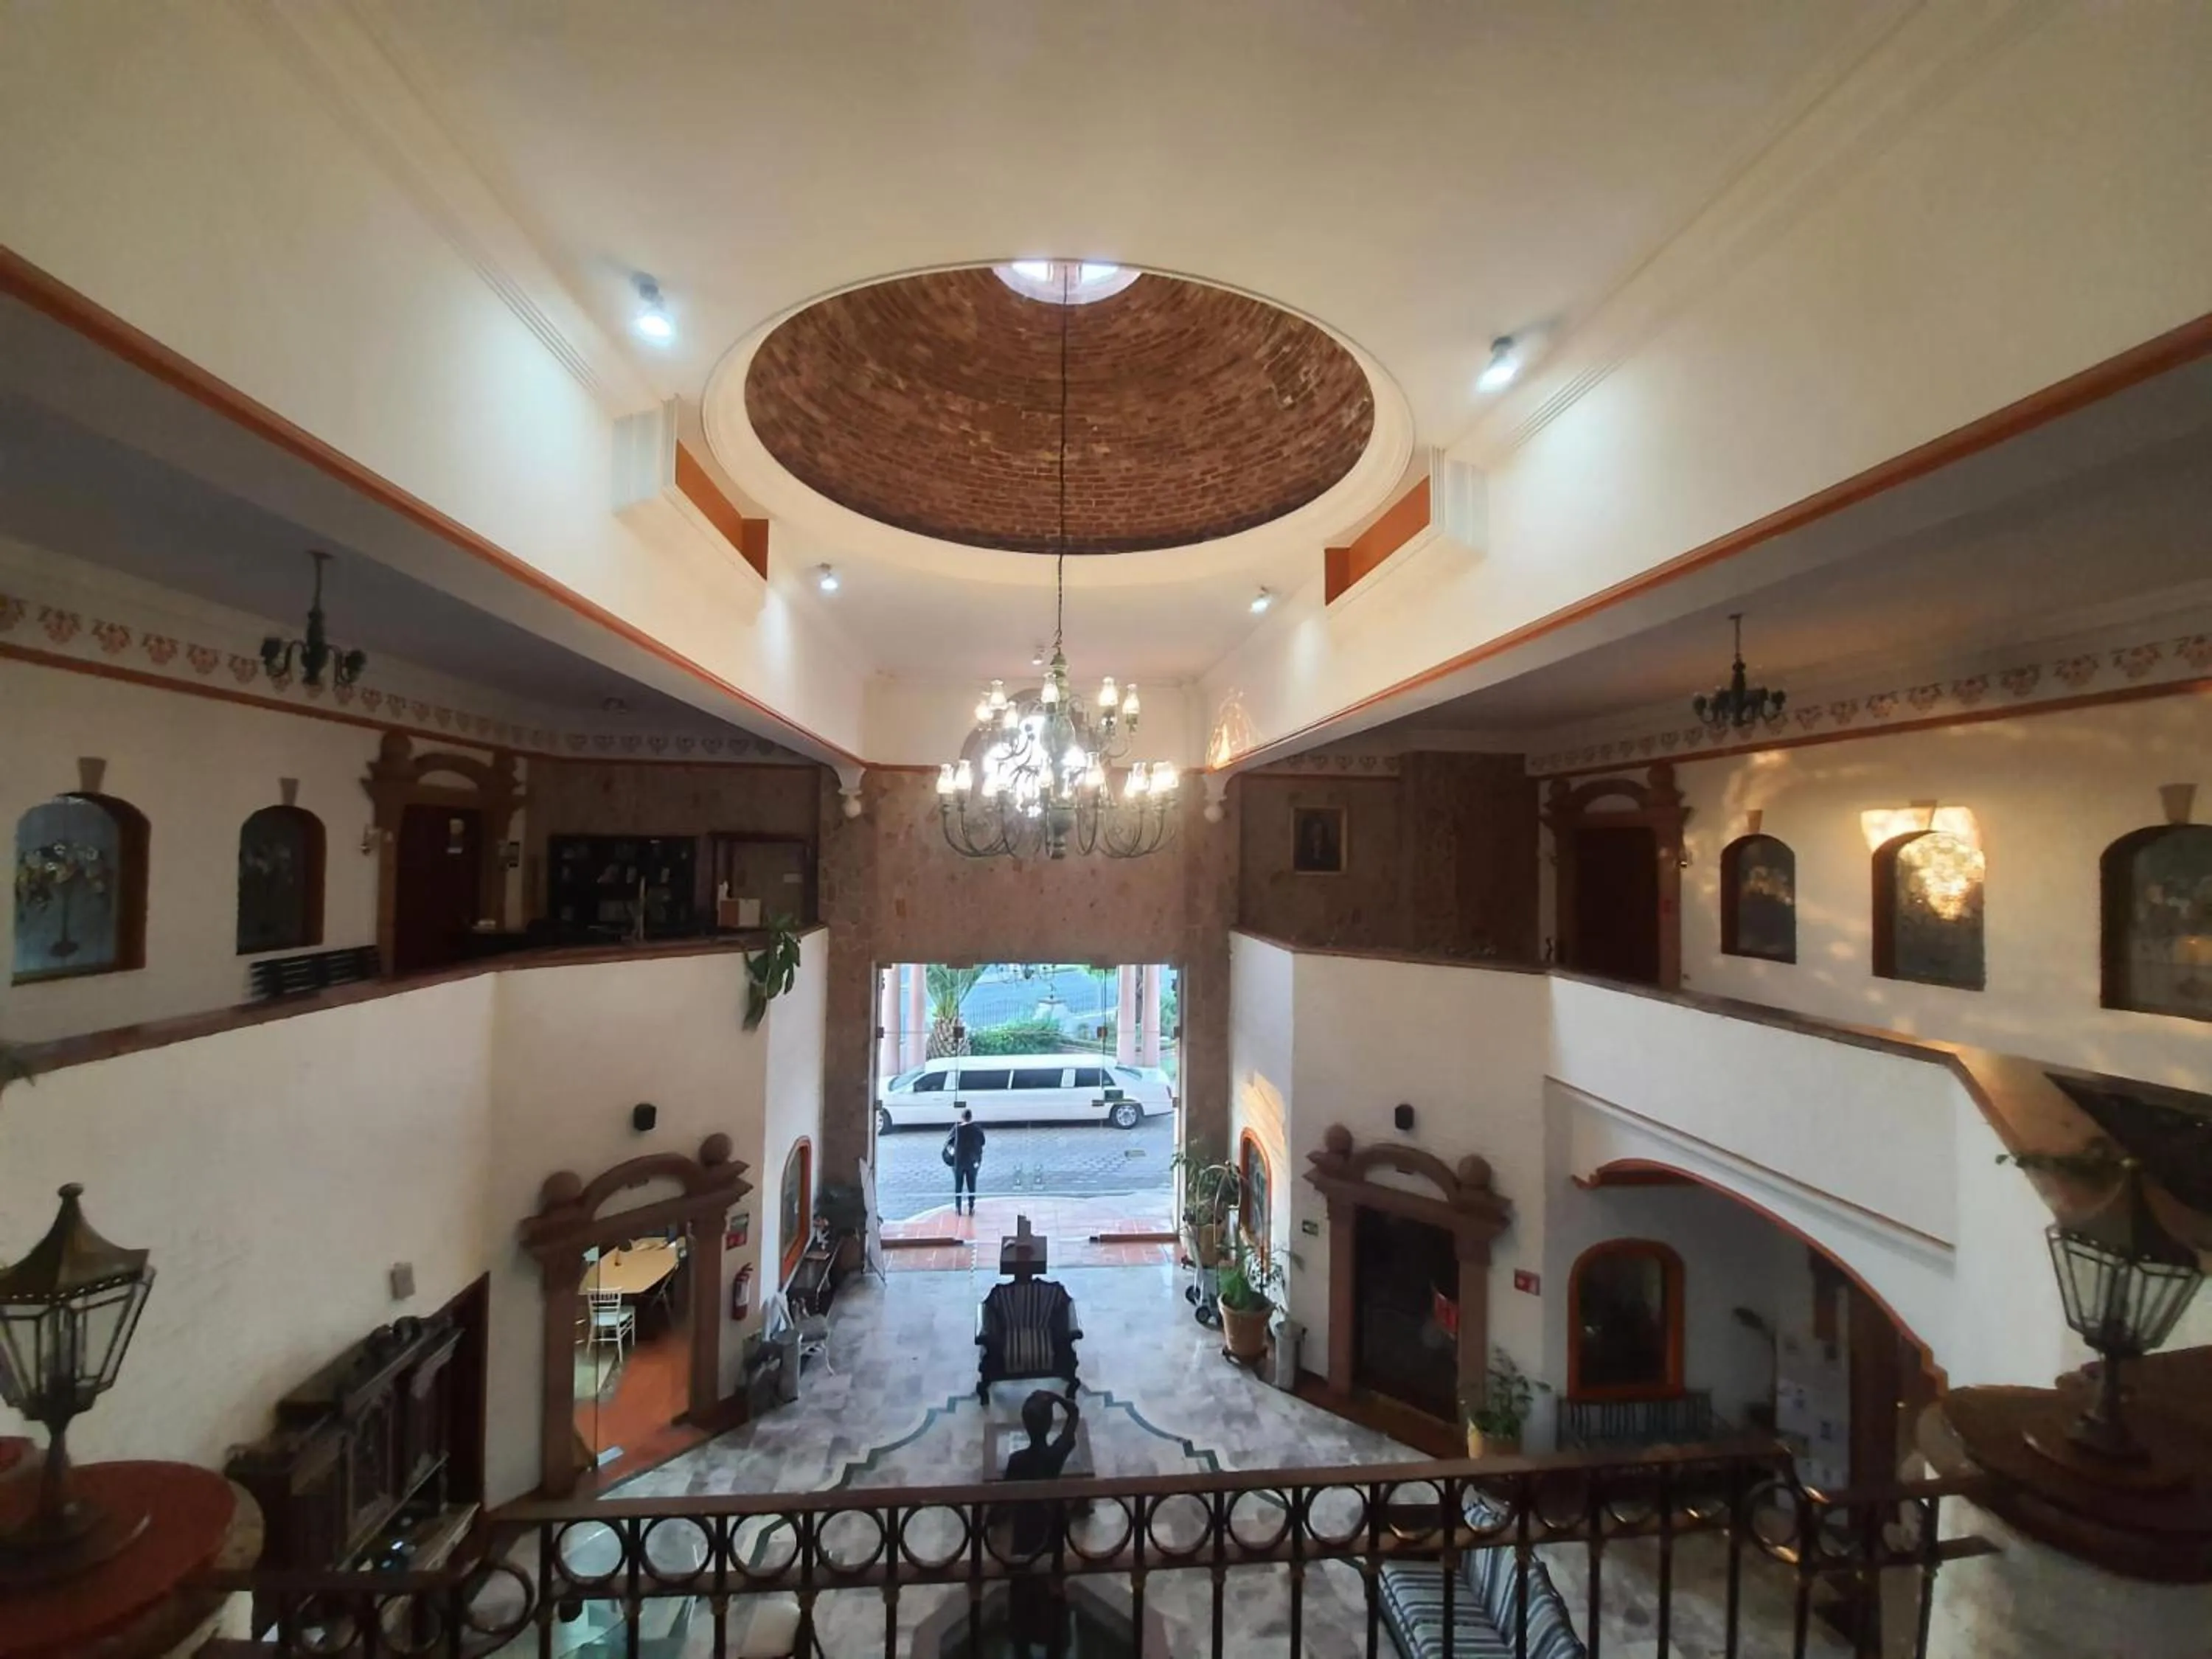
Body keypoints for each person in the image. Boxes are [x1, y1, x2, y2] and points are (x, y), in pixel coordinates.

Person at [948, 1107, 987, 1216]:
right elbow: (983, 1142)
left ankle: (958, 1208)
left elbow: (949, 1142)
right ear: (971, 1117)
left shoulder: (957, 1129)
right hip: (972, 1161)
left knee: (958, 1185)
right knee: (972, 1185)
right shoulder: (977, 1129)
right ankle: (971, 1207)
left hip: (959, 1161)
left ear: (962, 1117)